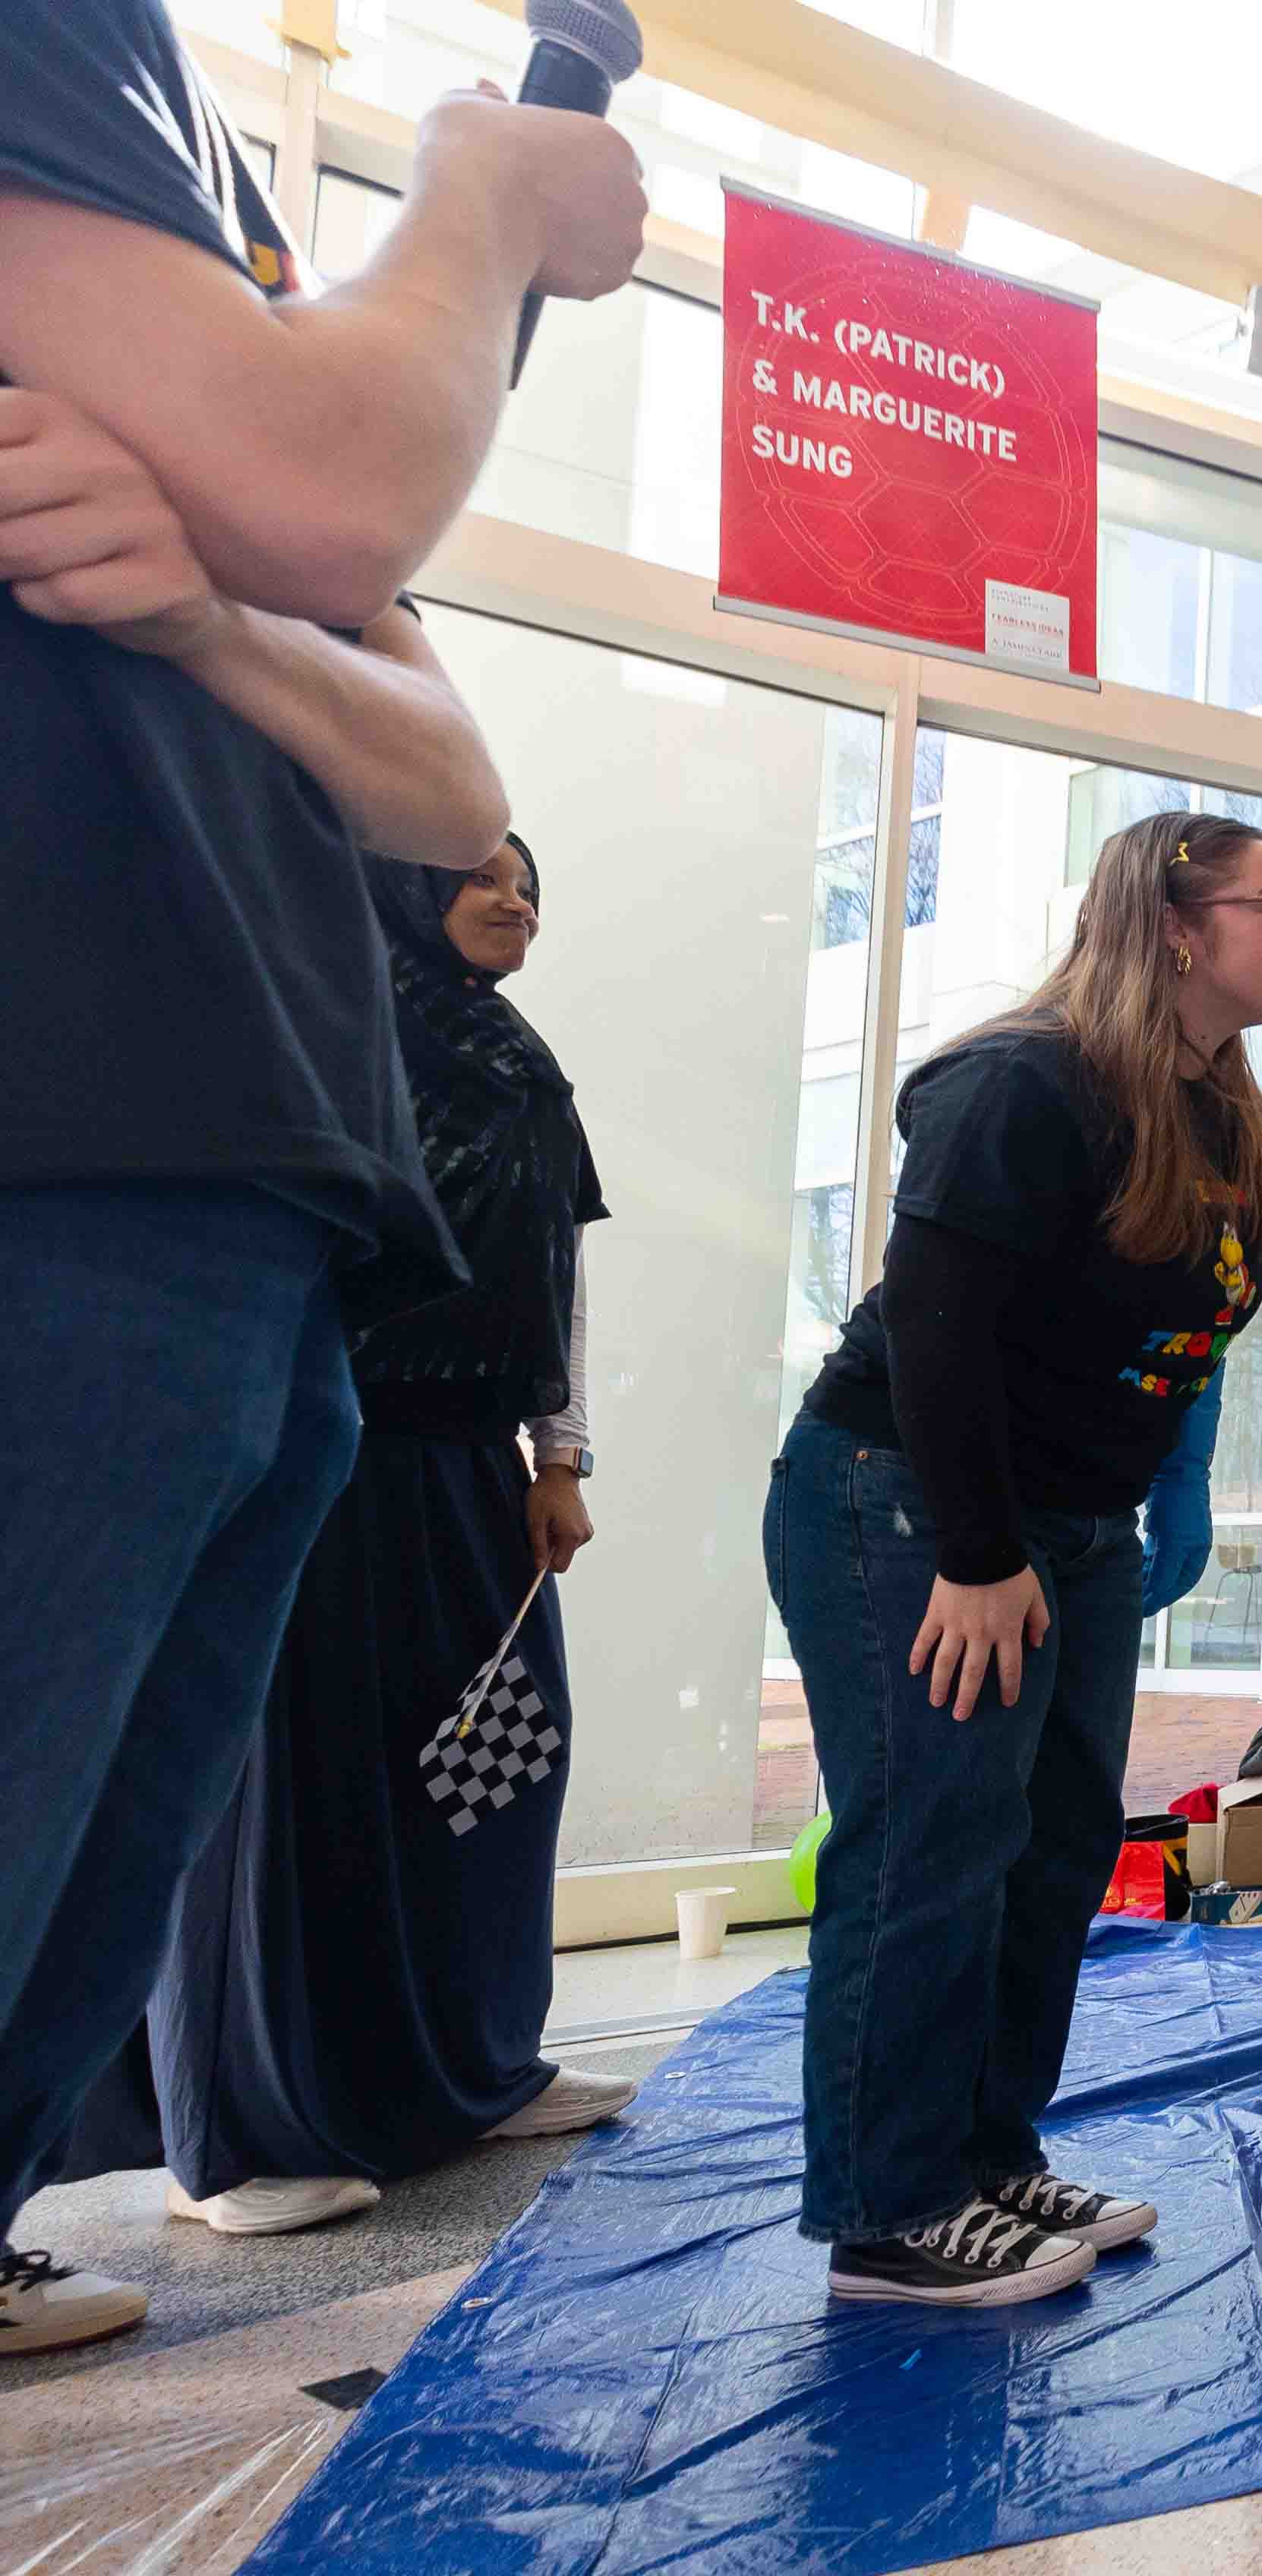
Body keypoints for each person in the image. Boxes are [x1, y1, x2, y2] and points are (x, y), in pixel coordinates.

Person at [0, 0, 644, 2353]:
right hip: (58, 1145)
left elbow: (444, 765)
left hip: (254, 1196)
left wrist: (196, 608)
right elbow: (333, 490)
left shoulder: (196, 173)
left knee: (91, 1882)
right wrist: (480, 184)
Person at [769, 811, 1262, 2309]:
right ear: (1178, 926)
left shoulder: (1215, 1112)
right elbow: (935, 1326)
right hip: (911, 1505)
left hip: (1067, 1530)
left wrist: (1133, 1511)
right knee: (933, 1843)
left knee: (1058, 1845)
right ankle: (887, 2211)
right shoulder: (1026, 1080)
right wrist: (979, 1549)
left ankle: (983, 2156)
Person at [61, 841, 633, 2240]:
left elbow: (548, 1275)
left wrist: (557, 1456)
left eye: (534, 883)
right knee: (274, 1796)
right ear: (392, 887)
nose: (516, 902)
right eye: (482, 878)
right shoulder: (322, 1026)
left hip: (455, 1471)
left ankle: (468, 2072)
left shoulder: (512, 1059)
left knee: (485, 1772)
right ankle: (238, 2138)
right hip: (306, 1453)